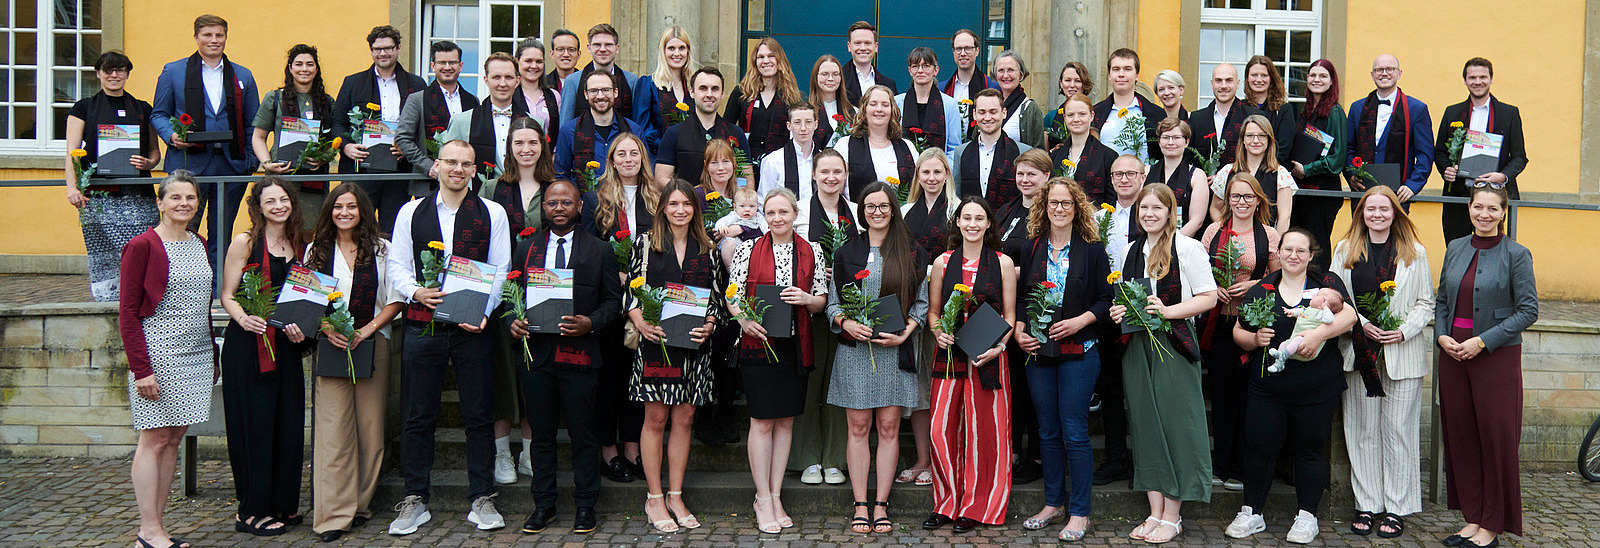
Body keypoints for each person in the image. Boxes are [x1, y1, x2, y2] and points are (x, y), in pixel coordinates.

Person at [385, 140, 511, 535]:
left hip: (472, 328)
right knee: (418, 414)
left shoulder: (493, 213)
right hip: (424, 324)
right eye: (451, 162)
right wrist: (414, 292)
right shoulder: (410, 211)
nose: (458, 169)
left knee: (478, 413)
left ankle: (481, 496)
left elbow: (501, 268)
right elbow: (397, 263)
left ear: (475, 170)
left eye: (466, 163)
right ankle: (415, 498)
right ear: (436, 166)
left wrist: (484, 313)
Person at [1226, 227, 1358, 545]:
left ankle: (1307, 516)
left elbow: (1351, 317)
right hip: (1267, 386)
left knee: (1310, 451)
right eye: (1288, 250)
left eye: (1301, 251)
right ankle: (1252, 511)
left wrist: (1316, 336)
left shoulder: (1326, 284)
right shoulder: (1263, 289)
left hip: (1315, 388)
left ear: (1311, 255)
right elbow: (1238, 332)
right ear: (1279, 253)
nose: (1294, 256)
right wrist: (1255, 338)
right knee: (1259, 449)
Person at [506, 179, 622, 535]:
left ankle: (586, 506)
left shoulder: (600, 250)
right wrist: (514, 321)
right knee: (541, 436)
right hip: (537, 359)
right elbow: (509, 295)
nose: (559, 208)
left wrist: (591, 323)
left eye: (566, 202)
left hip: (581, 357)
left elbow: (613, 303)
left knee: (584, 435)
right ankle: (544, 505)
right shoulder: (525, 248)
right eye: (553, 202)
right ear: (544, 207)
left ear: (578, 207)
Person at [1110, 183, 1218, 544]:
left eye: (1157, 208)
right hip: (1137, 343)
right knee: (1145, 424)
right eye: (1144, 209)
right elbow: (1128, 295)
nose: (1150, 214)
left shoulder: (1187, 248)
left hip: (1174, 343)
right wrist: (1119, 310)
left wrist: (1168, 311)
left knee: (1176, 425)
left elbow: (1209, 297)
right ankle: (1154, 510)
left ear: (1171, 212)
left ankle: (1173, 515)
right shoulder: (1129, 250)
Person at [1433, 185, 1537, 548]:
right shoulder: (1455, 247)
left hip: (1495, 359)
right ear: (1470, 208)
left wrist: (1482, 341)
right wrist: (1442, 336)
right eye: (1479, 207)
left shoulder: (1517, 255)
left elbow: (1529, 311)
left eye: (1493, 208)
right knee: (1461, 436)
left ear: (1503, 212)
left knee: (1496, 439)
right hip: (1453, 357)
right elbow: (1442, 300)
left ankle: (1492, 523)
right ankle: (1473, 518)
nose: (1485, 214)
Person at [1330, 186, 1435, 539]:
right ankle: (1367, 504)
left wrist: (1403, 331)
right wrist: (1361, 323)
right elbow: (1333, 298)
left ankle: (1397, 508)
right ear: (1361, 212)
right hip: (1360, 351)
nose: (1377, 214)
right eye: (1370, 208)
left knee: (1399, 433)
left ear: (1396, 212)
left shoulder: (1415, 252)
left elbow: (1426, 303)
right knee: (1362, 432)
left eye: (1384, 209)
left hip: (1401, 356)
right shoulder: (1344, 250)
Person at [302, 184, 404, 543]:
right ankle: (331, 516)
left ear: (363, 210)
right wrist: (328, 328)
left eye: (351, 207)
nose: (344, 212)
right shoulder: (315, 251)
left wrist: (368, 328)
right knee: (333, 432)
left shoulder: (382, 250)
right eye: (337, 207)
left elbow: (395, 299)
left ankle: (359, 505)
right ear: (329, 211)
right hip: (331, 346)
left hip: (373, 343)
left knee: (370, 431)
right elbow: (307, 300)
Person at [1014, 177, 1112, 541]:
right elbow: (1024, 296)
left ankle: (1080, 512)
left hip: (1080, 353)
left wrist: (1079, 321)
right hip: (1039, 353)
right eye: (1053, 202)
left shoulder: (1092, 249)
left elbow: (1105, 299)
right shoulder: (1031, 247)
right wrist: (1020, 328)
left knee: (1074, 431)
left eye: (1066, 203)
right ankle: (1053, 503)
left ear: (1077, 208)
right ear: (1043, 206)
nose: (1059, 208)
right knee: (1048, 432)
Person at [827, 181, 928, 534]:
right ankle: (860, 503)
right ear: (862, 211)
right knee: (858, 428)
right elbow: (832, 302)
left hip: (893, 349)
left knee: (888, 428)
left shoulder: (912, 252)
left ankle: (881, 505)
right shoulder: (846, 252)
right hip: (856, 352)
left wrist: (908, 330)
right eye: (870, 207)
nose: (877, 212)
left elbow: (922, 301)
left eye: (883, 206)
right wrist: (846, 322)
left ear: (893, 209)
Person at [626, 179, 726, 533]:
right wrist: (640, 323)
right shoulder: (646, 244)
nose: (680, 210)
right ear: (663, 208)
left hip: (695, 348)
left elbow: (717, 299)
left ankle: (676, 494)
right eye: (673, 204)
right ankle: (654, 496)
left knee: (684, 420)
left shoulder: (708, 248)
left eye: (687, 204)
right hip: (657, 343)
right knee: (655, 420)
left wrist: (712, 324)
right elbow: (631, 294)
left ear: (694, 209)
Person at [728, 188, 828, 533]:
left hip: (795, 344)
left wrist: (806, 299)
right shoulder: (747, 249)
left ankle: (776, 492)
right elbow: (733, 295)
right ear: (764, 216)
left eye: (783, 212)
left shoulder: (812, 250)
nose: (776, 218)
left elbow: (820, 301)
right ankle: (761, 497)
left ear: (795, 214)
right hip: (758, 342)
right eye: (770, 213)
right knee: (762, 421)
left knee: (785, 421)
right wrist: (743, 320)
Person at [119, 172, 211, 548]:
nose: (183, 204)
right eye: (175, 197)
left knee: (173, 438)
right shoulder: (142, 245)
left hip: (196, 354)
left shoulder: (199, 242)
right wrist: (142, 369)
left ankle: (157, 526)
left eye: (190, 197)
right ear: (160, 203)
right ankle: (148, 529)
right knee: (153, 439)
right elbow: (126, 313)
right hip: (158, 353)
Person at [217, 176, 311, 536]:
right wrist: (244, 318)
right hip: (250, 347)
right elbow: (227, 294)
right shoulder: (245, 242)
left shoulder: (300, 243)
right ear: (258, 206)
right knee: (254, 429)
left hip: (286, 347)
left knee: (287, 427)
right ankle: (251, 511)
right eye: (270, 201)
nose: (278, 206)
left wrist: (305, 326)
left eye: (283, 199)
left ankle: (282, 506)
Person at [924, 196, 1019, 533]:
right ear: (958, 222)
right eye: (967, 218)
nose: (973, 224)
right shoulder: (942, 262)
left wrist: (1001, 346)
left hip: (987, 357)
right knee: (941, 430)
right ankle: (947, 503)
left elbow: (1009, 315)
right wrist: (938, 333)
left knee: (985, 434)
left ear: (989, 223)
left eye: (980, 218)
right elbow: (934, 312)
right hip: (948, 357)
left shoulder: (1003, 262)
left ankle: (978, 506)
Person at [151, 14, 260, 268]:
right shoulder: (174, 71)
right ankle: (179, 280)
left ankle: (215, 289)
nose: (214, 40)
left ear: (225, 37)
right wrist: (171, 135)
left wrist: (250, 162)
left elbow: (253, 122)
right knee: (182, 228)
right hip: (188, 164)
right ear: (196, 37)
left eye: (219, 35)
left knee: (221, 233)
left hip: (231, 165)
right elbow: (158, 114)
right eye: (207, 35)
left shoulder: (243, 75)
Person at [578, 133, 655, 483]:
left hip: (648, 298)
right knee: (610, 378)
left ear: (642, 158)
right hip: (609, 298)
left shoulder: (656, 196)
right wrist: (616, 272)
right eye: (620, 154)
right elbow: (589, 247)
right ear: (611, 160)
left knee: (637, 378)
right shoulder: (596, 198)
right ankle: (608, 451)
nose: (628, 159)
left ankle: (633, 449)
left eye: (634, 153)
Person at [1200, 172, 1282, 491]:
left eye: (1248, 197)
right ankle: (1221, 465)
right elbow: (1199, 272)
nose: (1241, 202)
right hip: (1219, 323)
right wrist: (1212, 289)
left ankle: (1244, 466)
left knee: (1249, 396)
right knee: (1222, 396)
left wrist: (1255, 285)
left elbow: (1279, 279)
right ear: (1227, 200)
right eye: (1235, 197)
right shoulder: (1213, 231)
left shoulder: (1269, 235)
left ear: (1259, 200)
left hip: (1253, 324)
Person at [486, 118, 555, 483]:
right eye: (519, 143)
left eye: (532, 142)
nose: (526, 149)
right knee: (501, 372)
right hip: (499, 292)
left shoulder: (554, 187)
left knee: (534, 370)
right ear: (509, 147)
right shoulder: (491, 187)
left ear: (542, 145)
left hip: (544, 289)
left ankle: (529, 451)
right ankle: (501, 454)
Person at [64, 50, 161, 302]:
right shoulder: (83, 108)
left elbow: (154, 153)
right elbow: (72, 153)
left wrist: (148, 162)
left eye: (120, 70)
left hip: (137, 194)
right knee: (104, 254)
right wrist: (72, 187)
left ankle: (144, 301)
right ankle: (108, 306)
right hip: (99, 196)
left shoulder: (142, 108)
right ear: (98, 74)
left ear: (127, 74)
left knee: (142, 249)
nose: (114, 75)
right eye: (108, 70)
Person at [789, 149, 855, 485]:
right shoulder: (798, 213)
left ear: (845, 176)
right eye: (824, 172)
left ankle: (834, 458)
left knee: (838, 386)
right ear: (813, 175)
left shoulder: (856, 212)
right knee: (810, 383)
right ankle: (806, 457)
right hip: (808, 310)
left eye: (837, 172)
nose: (831, 178)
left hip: (848, 311)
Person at [896, 149, 957, 488]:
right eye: (925, 172)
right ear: (917, 177)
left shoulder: (958, 210)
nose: (931, 178)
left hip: (949, 307)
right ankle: (922, 458)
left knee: (943, 386)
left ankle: (942, 458)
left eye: (937, 172)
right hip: (913, 306)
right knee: (919, 388)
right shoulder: (905, 211)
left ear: (947, 174)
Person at [331, 25, 426, 234]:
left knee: (393, 230)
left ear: (398, 48)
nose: (382, 53)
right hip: (362, 169)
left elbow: (424, 127)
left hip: (399, 170)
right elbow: (337, 123)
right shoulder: (353, 82)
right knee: (356, 229)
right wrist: (346, 147)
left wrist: (408, 149)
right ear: (371, 51)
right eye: (377, 49)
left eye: (388, 48)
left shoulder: (416, 84)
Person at [1089, 156, 1148, 487]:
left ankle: (1145, 460)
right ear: (1110, 179)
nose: (1124, 179)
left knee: (1141, 388)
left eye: (1130, 173)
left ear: (1142, 176)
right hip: (1107, 310)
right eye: (1117, 174)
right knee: (1111, 388)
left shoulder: (1153, 211)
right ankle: (1116, 458)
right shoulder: (1099, 218)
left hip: (1143, 307)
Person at [1435, 57, 1528, 242]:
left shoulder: (1509, 113)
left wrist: (1502, 176)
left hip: (1495, 196)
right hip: (1458, 196)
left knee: (1494, 248)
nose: (1478, 82)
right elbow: (1439, 152)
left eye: (1483, 77)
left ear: (1491, 79)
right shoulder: (1452, 112)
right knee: (1456, 247)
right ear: (1465, 80)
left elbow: (1519, 157)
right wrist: (1446, 170)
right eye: (1472, 77)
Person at [251, 44, 334, 228]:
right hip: (280, 176)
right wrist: (266, 164)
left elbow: (333, 142)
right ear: (290, 68)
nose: (304, 69)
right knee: (278, 228)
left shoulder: (326, 101)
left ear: (316, 68)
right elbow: (258, 137)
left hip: (313, 179)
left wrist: (323, 158)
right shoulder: (274, 98)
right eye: (298, 64)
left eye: (309, 64)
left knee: (311, 230)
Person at [1346, 54, 1434, 205]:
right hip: (1362, 193)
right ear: (1372, 75)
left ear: (1399, 73)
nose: (1384, 73)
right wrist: (1352, 175)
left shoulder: (1416, 109)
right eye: (1379, 70)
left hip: (1399, 194)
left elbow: (1425, 154)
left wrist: (1412, 186)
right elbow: (1348, 148)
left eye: (1390, 69)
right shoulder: (1357, 108)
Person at [396, 40, 480, 196]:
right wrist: (430, 167)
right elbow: (403, 138)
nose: (447, 67)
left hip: (466, 183)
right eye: (442, 62)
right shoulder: (417, 100)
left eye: (452, 62)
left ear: (460, 66)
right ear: (433, 66)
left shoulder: (473, 101)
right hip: (428, 183)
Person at [1290, 59, 1348, 269]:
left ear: (1332, 81)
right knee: (1299, 243)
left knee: (1317, 246)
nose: (1317, 80)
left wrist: (1308, 170)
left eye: (1323, 76)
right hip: (1302, 191)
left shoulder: (1335, 112)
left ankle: (1322, 290)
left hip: (1323, 193)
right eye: (1313, 75)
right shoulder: (1306, 111)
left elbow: (1338, 158)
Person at [655, 67, 752, 187]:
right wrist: (688, 195)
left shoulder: (736, 134)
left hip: (726, 204)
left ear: (722, 94)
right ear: (692, 92)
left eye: (715, 89)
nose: (709, 94)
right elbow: (661, 179)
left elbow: (748, 181)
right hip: (687, 204)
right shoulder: (674, 133)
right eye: (703, 88)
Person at [440, 53, 525, 183]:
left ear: (517, 81)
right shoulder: (461, 122)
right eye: (496, 77)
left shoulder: (533, 123)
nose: (502, 83)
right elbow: (446, 169)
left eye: (508, 77)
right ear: (486, 80)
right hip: (475, 198)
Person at [1210, 115, 1295, 233]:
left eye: (1261, 136)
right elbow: (1215, 207)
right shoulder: (1227, 171)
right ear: (1243, 140)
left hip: (1265, 244)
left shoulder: (1280, 175)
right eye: (1250, 135)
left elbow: (1284, 218)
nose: (1256, 140)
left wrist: (1274, 246)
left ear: (1269, 140)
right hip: (1231, 243)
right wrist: (1226, 232)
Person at [555, 70, 645, 181]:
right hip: (582, 197)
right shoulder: (569, 131)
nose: (600, 96)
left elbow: (645, 171)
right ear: (586, 95)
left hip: (624, 196)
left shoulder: (634, 131)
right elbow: (561, 175)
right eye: (593, 91)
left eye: (606, 90)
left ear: (615, 92)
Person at [951, 88, 1032, 208]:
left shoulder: (1023, 152)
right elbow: (957, 195)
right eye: (982, 112)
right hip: (971, 223)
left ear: (1003, 113)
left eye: (993, 112)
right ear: (974, 114)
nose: (987, 118)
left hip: (1009, 221)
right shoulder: (961, 152)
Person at [833, 84, 917, 200]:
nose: (879, 109)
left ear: (892, 110)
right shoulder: (844, 145)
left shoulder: (908, 147)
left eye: (885, 105)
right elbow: (834, 189)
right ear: (864, 109)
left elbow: (918, 188)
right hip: (856, 215)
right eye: (873, 104)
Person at [725, 37, 803, 159]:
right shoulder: (742, 92)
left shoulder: (792, 97)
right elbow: (726, 129)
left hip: (780, 163)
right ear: (755, 62)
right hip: (746, 163)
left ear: (779, 60)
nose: (766, 61)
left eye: (771, 56)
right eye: (761, 57)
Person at [559, 24, 640, 129]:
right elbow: (565, 124)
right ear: (589, 48)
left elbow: (637, 124)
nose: (602, 49)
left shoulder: (631, 81)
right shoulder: (573, 81)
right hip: (582, 143)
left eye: (608, 45)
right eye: (597, 45)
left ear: (617, 48)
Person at [1093, 49, 1166, 162]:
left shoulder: (1156, 113)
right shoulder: (1095, 113)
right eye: (1116, 69)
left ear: (1137, 75)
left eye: (1127, 69)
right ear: (1109, 75)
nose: (1121, 74)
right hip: (1105, 177)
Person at [1188, 63, 1262, 169]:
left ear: (1237, 83)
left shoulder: (1254, 116)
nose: (1223, 86)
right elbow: (1188, 157)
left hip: (1243, 183)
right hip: (1204, 184)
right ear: (1212, 84)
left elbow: (1262, 157)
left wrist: (1223, 177)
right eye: (1218, 81)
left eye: (1229, 80)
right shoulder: (1197, 119)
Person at [1048, 94, 1117, 206]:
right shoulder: (1055, 156)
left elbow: (1111, 199)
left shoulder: (1108, 156)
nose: (1076, 119)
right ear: (1064, 118)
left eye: (1082, 114)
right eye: (1070, 115)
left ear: (1092, 116)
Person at [636, 26, 695, 155]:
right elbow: (641, 129)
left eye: (682, 48)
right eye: (671, 48)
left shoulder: (694, 85)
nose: (677, 53)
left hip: (692, 158)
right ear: (663, 51)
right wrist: (670, 146)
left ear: (688, 51)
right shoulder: (648, 85)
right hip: (659, 157)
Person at [896, 47, 964, 155]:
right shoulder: (897, 103)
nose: (920, 71)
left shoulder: (950, 104)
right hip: (904, 169)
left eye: (926, 66)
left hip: (938, 169)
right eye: (915, 66)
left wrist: (943, 171)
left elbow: (954, 149)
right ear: (910, 71)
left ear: (936, 70)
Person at [1147, 119, 1209, 236]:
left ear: (1186, 142)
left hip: (1181, 243)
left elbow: (1196, 221)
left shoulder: (1197, 175)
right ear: (1159, 142)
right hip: (1148, 240)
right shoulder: (1146, 172)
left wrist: (1172, 243)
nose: (1170, 142)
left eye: (1176, 137)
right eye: (1166, 137)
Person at [1265, 288, 1344, 372]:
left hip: (1305, 345)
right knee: (1284, 344)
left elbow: (1330, 319)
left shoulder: (1321, 314)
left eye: (1317, 295)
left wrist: (1325, 307)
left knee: (1297, 339)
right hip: (1294, 342)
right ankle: (1279, 363)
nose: (1313, 295)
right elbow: (1302, 311)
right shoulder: (1310, 309)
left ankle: (1283, 354)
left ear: (1323, 301)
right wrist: (1291, 312)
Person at [758, 103, 820, 205]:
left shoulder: (823, 160)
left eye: (808, 122)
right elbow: (764, 201)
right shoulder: (773, 161)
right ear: (789, 126)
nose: (803, 128)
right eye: (797, 122)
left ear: (815, 124)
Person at [1242, 56, 1298, 166]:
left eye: (1264, 75)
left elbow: (1283, 149)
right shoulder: (1240, 107)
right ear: (1247, 78)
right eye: (1254, 75)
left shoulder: (1283, 109)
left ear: (1271, 78)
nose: (1259, 80)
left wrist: (1262, 170)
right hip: (1244, 172)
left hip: (1272, 171)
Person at [991, 51, 1045, 150]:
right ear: (995, 74)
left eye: (1011, 70)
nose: (1006, 75)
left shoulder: (1031, 109)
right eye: (1001, 70)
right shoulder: (988, 104)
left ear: (1020, 75)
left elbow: (1038, 151)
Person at [512, 38, 561, 140]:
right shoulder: (510, 95)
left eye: (539, 61)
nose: (534, 66)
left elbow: (559, 132)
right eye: (528, 61)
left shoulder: (554, 96)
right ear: (517, 61)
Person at [841, 21, 897, 103]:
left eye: (868, 43)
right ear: (849, 46)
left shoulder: (888, 84)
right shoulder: (838, 80)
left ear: (876, 47)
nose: (863, 48)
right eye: (857, 43)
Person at [808, 55, 857, 148]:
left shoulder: (854, 112)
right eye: (824, 74)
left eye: (835, 74)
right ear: (816, 77)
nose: (830, 78)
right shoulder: (805, 112)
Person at [1043, 62, 1094, 151]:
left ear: (1084, 84)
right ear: (1061, 84)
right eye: (1067, 80)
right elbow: (1044, 154)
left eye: (1078, 81)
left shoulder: (1095, 115)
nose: (1072, 85)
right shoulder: (1051, 117)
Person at [939, 29, 998, 103]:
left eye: (968, 48)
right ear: (953, 52)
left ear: (977, 51)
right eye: (958, 49)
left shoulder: (992, 86)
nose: (963, 53)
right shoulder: (942, 89)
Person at [714, 187, 765, 265]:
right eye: (742, 206)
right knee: (728, 244)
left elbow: (765, 227)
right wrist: (721, 226)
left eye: (751, 206)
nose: (747, 209)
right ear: (735, 207)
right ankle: (729, 267)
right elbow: (722, 221)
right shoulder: (734, 216)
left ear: (757, 206)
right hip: (735, 244)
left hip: (750, 246)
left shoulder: (758, 217)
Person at [542, 29, 581, 93]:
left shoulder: (587, 82)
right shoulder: (542, 84)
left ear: (578, 54)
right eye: (560, 49)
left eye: (571, 50)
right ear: (552, 54)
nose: (566, 54)